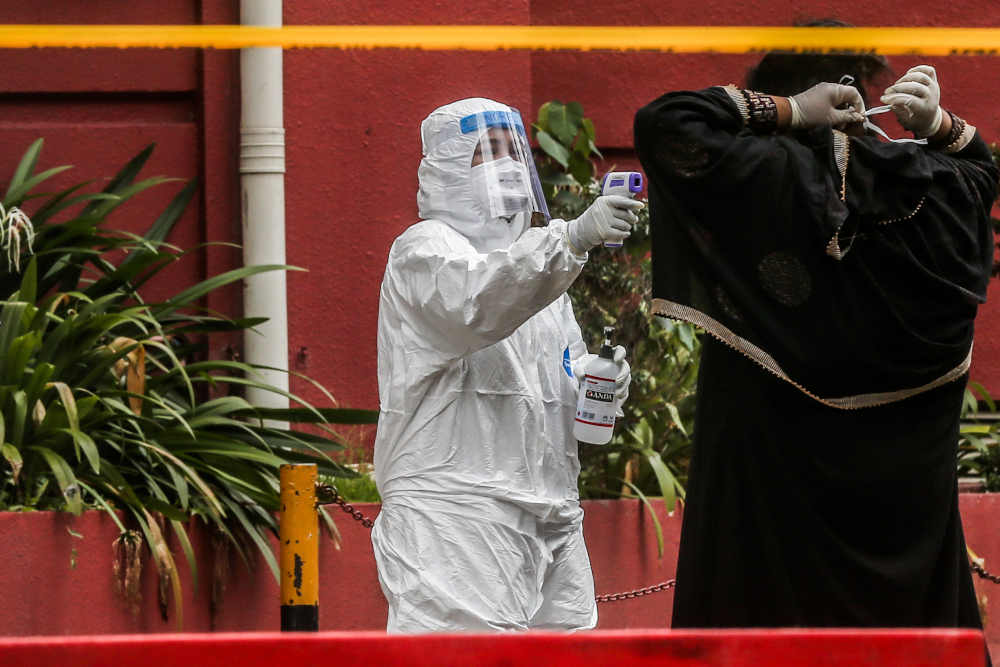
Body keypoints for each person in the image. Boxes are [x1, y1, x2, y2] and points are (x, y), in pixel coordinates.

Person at [634, 44, 999, 646]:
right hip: (902, 537)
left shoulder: (764, 176)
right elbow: (981, 174)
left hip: (770, 523)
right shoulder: (936, 192)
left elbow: (665, 123)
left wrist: (784, 111)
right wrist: (937, 126)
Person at [372, 98, 643, 632]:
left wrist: (594, 379)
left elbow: (548, 378)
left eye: (514, 149)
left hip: (549, 514)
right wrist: (572, 237)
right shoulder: (425, 251)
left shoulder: (536, 270)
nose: (511, 164)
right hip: (455, 517)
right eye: (488, 151)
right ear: (450, 165)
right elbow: (479, 303)